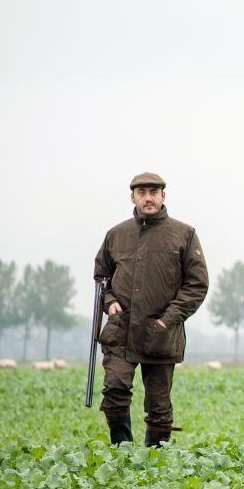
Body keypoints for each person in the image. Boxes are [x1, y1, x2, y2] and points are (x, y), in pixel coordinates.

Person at [93, 172, 209, 447]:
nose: (148, 197)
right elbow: (101, 278)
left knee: (158, 406)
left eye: (154, 192)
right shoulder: (116, 235)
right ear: (132, 197)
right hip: (121, 329)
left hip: (161, 333)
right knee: (115, 390)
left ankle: (155, 460)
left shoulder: (184, 234)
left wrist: (166, 321)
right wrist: (109, 303)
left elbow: (197, 285)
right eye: (142, 192)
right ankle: (122, 452)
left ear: (163, 197)